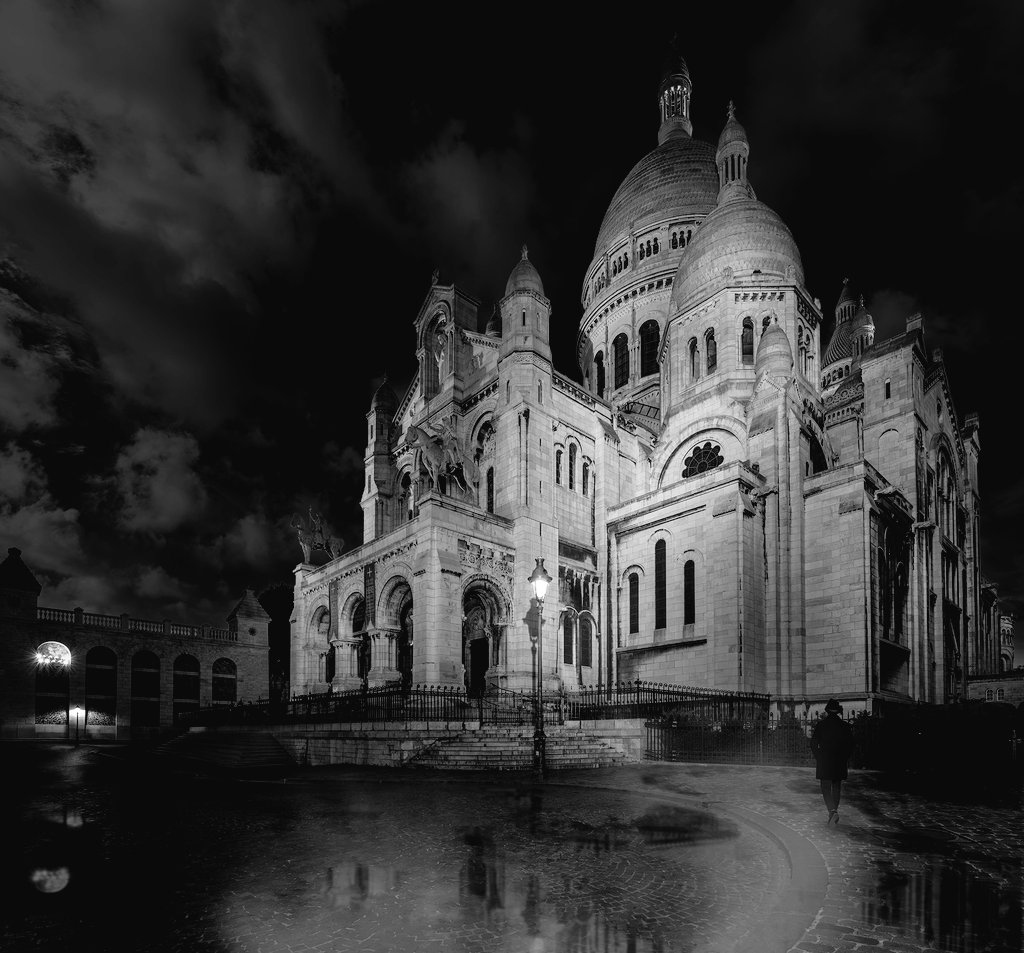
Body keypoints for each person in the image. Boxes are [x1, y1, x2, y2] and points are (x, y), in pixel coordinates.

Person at [810, 698, 855, 824]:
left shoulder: (821, 725)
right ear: (838, 712)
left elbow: (813, 744)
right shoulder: (845, 726)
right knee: (836, 787)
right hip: (839, 761)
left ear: (827, 711)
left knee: (825, 787)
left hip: (825, 760)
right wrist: (845, 758)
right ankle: (833, 812)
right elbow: (851, 745)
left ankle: (832, 811)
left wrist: (819, 757)